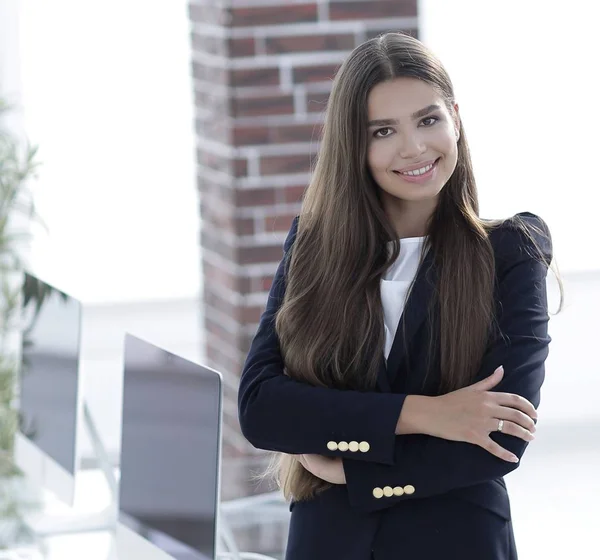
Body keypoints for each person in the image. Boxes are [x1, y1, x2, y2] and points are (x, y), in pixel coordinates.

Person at [237, 32, 563, 560]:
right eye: (384, 131)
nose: (413, 147)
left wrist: (351, 470)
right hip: (327, 542)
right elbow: (262, 409)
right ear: (354, 145)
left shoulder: (511, 251)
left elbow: (503, 437)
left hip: (456, 542)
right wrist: (428, 415)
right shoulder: (315, 245)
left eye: (428, 119)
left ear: (455, 117)